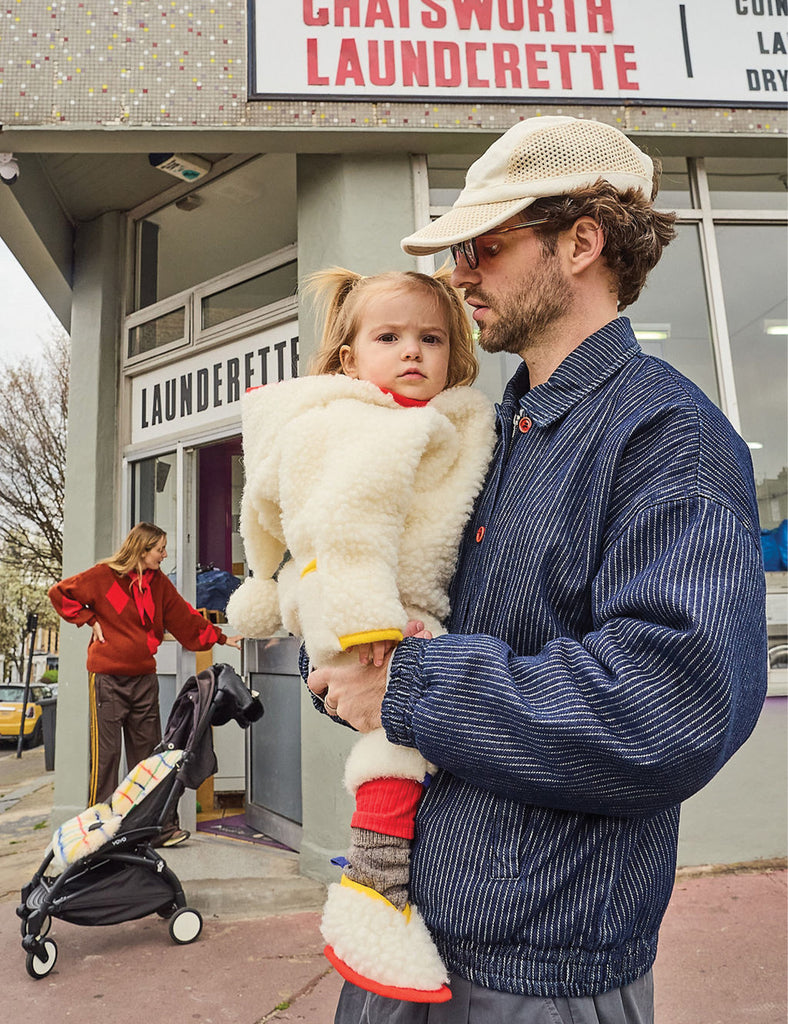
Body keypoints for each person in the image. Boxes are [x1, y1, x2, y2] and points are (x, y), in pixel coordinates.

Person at [306, 115, 769, 1023]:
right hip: (404, 930)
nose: (460, 271)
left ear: (581, 243)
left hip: (538, 976)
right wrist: (345, 656)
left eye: (483, 244)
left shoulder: (668, 437)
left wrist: (406, 688)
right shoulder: (482, 434)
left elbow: (673, 706)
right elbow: (419, 638)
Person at [226, 267, 495, 1001]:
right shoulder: (345, 423)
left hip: (389, 609)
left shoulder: (436, 421)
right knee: (397, 744)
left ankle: (376, 893)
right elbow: (344, 528)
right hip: (356, 608)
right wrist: (373, 625)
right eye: (390, 337)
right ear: (349, 357)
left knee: (403, 740)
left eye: (431, 338)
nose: (413, 352)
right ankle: (372, 893)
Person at [49, 521, 242, 846]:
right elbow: (60, 593)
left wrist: (222, 638)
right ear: (141, 549)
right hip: (107, 679)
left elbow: (184, 618)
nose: (164, 555)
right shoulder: (103, 576)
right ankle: (99, 834)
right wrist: (90, 618)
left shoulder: (158, 584)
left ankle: (159, 828)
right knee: (106, 758)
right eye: (160, 549)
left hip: (143, 680)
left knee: (149, 759)